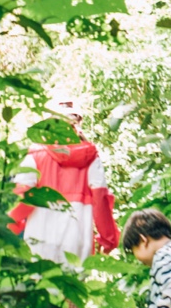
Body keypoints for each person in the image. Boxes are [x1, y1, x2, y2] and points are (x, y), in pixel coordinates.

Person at [10, 99, 119, 265]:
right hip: (78, 242)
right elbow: (101, 200)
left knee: (41, 287)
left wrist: (10, 227)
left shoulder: (35, 154)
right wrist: (108, 239)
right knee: (74, 287)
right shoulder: (90, 157)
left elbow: (21, 197)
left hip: (40, 239)